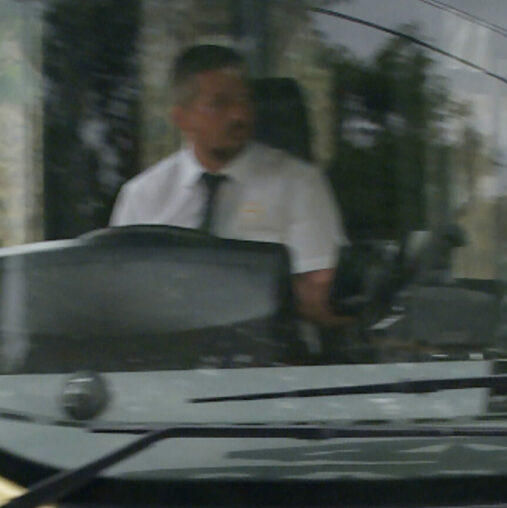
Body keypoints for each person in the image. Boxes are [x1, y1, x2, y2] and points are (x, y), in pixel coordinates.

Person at [110, 44, 346, 325]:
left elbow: (316, 291)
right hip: (167, 344)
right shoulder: (142, 196)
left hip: (267, 345)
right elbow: (123, 298)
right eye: (219, 104)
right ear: (181, 118)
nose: (239, 115)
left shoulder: (299, 184)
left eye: (244, 100)